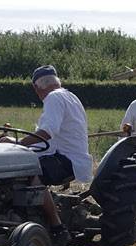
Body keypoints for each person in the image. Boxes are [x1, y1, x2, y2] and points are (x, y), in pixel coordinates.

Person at [17, 66, 93, 217]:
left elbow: (46, 133)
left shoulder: (53, 98)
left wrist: (17, 145)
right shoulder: (70, 96)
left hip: (66, 160)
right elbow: (48, 138)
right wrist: (14, 140)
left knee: (29, 174)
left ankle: (56, 226)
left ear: (36, 87)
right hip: (73, 158)